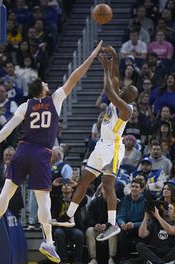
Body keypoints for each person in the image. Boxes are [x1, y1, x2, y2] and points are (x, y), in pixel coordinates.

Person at [0, 41, 103, 263]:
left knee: (6, 193)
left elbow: (9, 128)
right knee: (43, 201)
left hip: (22, 150)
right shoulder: (55, 100)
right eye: (45, 83)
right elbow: (75, 76)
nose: (48, 84)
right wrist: (91, 57)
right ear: (43, 89)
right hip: (41, 154)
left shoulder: (26, 105)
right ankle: (48, 242)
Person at [50, 46, 138, 242]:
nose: (121, 88)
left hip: (113, 148)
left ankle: (112, 223)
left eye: (125, 90)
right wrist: (114, 60)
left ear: (129, 97)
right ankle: (69, 216)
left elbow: (109, 88)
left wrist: (106, 68)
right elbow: (115, 81)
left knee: (107, 185)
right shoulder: (119, 98)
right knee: (83, 181)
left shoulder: (125, 108)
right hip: (100, 145)